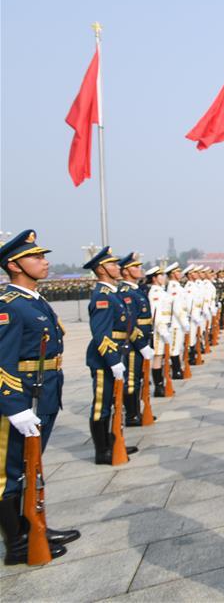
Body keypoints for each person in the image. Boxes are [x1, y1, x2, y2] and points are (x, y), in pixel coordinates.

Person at [0, 229, 81, 565]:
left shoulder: (35, 301)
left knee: (31, 467)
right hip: (21, 399)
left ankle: (34, 526)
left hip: (44, 393)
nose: (44, 262)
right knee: (10, 472)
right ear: (14, 264)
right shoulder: (9, 307)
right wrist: (14, 407)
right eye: (36, 257)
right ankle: (16, 544)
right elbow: (2, 360)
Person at [83, 247, 139, 464]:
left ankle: (113, 441)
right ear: (101, 269)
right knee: (101, 403)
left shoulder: (113, 293)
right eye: (113, 264)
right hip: (104, 359)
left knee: (113, 402)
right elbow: (101, 335)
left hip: (118, 352)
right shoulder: (102, 297)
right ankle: (101, 450)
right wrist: (114, 361)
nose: (118, 267)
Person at [117, 253, 155, 426]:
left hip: (143, 340)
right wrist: (141, 344)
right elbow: (129, 323)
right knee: (131, 379)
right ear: (125, 271)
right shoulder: (126, 293)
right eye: (134, 267)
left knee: (139, 377)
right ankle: (132, 415)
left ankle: (137, 411)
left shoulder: (136, 290)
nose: (139, 269)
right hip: (133, 344)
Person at [145, 265, 173, 397]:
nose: (163, 277)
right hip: (158, 330)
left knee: (161, 357)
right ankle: (158, 387)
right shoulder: (155, 293)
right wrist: (163, 331)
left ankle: (160, 384)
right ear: (154, 278)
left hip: (165, 328)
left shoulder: (161, 291)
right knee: (157, 357)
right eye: (160, 275)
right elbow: (156, 315)